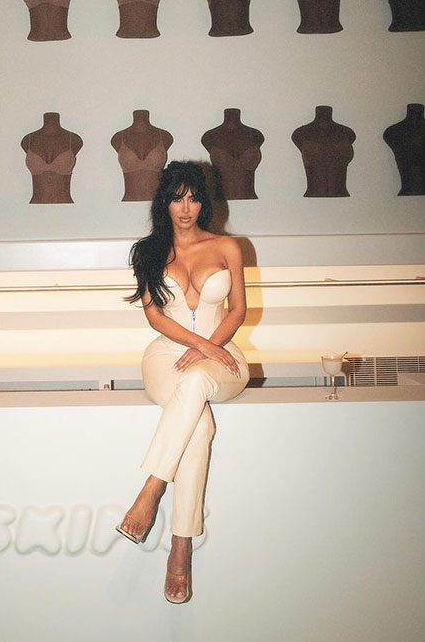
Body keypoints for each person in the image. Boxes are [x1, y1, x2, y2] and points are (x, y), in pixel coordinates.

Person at [117, 160, 249, 603]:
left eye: (193, 198)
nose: (186, 208)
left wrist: (210, 347)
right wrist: (197, 344)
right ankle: (181, 546)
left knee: (195, 385)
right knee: (200, 425)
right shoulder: (148, 251)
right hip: (166, 356)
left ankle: (151, 489)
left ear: (203, 202)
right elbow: (155, 316)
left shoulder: (228, 246)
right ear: (165, 203)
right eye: (177, 198)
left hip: (222, 353)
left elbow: (238, 310)